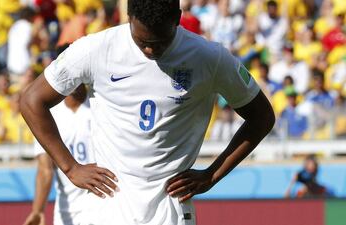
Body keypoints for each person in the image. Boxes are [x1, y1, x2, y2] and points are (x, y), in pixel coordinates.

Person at [20, 0, 275, 224]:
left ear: (177, 18)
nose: (151, 50)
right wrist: (71, 168)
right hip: (109, 206)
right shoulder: (96, 49)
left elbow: (262, 117)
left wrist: (212, 175)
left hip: (171, 208)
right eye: (143, 42)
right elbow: (31, 100)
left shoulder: (210, 57)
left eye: (160, 41)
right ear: (129, 17)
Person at [23, 85, 92, 225]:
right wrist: (37, 210)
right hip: (67, 212)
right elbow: (45, 170)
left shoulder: (100, 106)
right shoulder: (48, 115)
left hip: (102, 204)